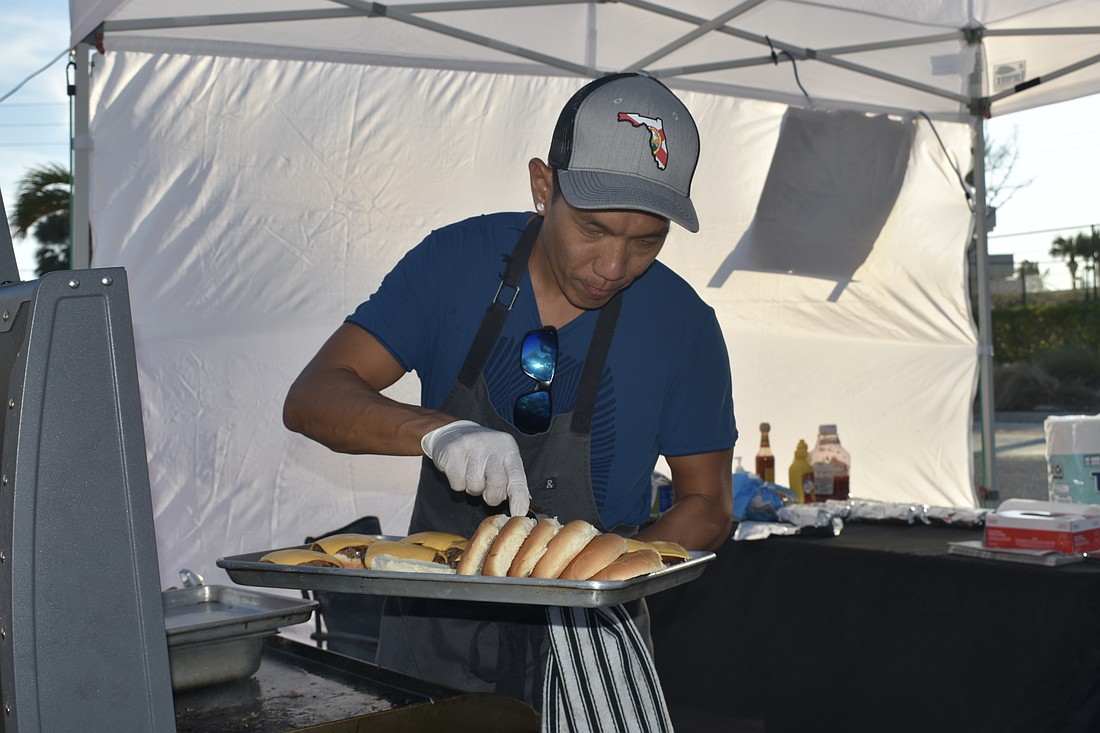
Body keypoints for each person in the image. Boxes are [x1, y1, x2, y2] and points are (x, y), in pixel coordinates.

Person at [283, 72, 736, 714]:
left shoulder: (682, 325)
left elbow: (708, 503)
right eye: (593, 229)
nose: (613, 267)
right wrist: (438, 432)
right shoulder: (456, 264)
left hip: (595, 644)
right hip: (433, 627)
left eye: (647, 241)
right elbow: (312, 398)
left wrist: (603, 571)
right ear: (542, 187)